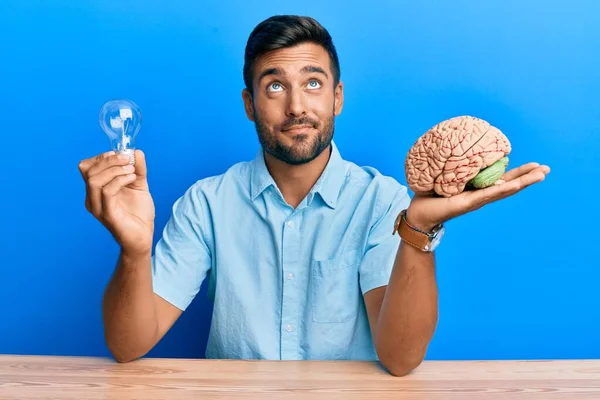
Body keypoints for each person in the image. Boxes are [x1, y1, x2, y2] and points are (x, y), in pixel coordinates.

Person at [78, 15, 550, 376]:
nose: (297, 105)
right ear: (250, 104)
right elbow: (128, 345)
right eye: (275, 86)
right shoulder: (207, 203)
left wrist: (418, 228)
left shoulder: (383, 202)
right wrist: (135, 252)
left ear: (337, 97)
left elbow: (401, 359)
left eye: (313, 83)